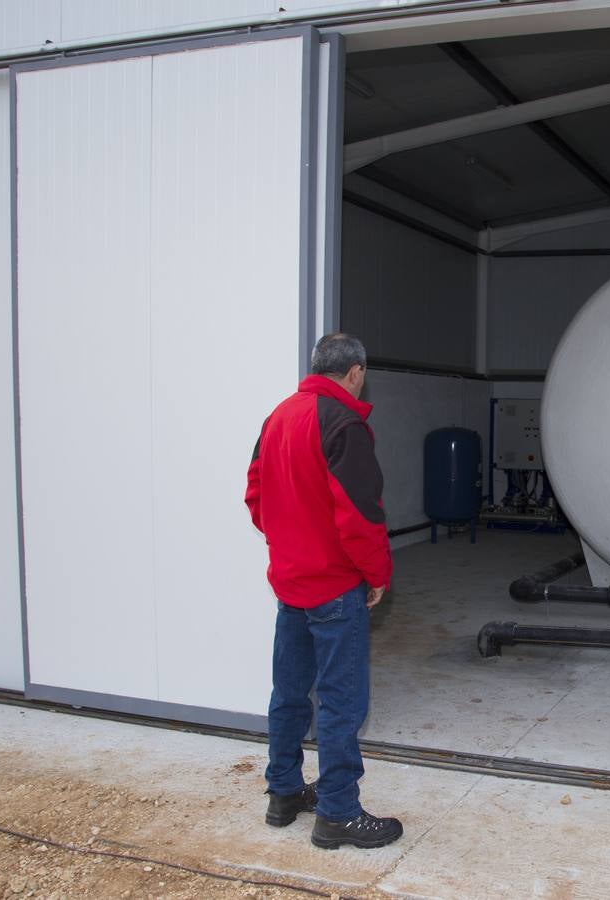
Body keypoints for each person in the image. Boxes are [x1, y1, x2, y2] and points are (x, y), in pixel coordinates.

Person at [244, 333, 402, 850]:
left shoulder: (278, 417)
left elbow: (254, 494)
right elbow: (360, 514)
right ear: (355, 372)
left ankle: (284, 793)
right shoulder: (343, 422)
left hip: (291, 584)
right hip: (334, 587)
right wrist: (376, 573)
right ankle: (337, 812)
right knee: (341, 702)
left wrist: (289, 541)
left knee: (289, 694)